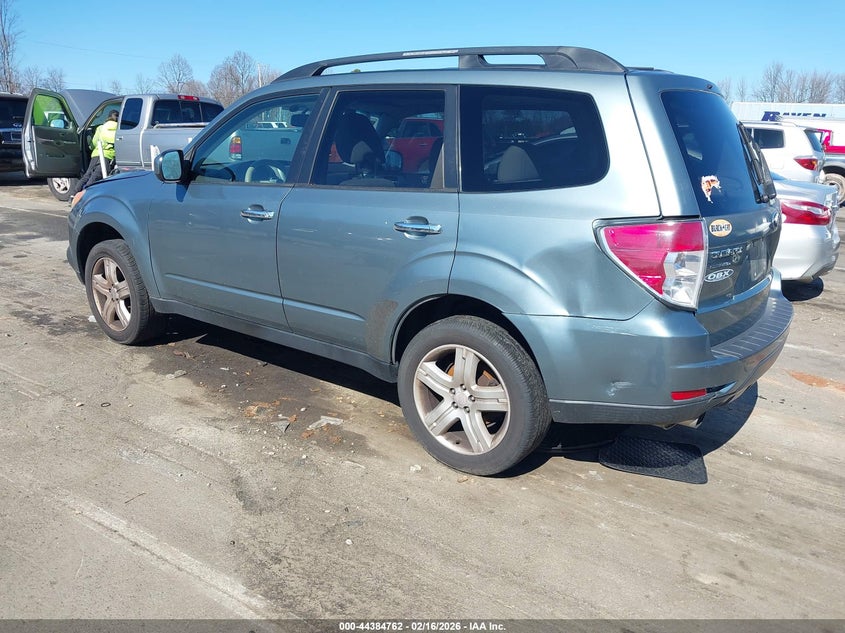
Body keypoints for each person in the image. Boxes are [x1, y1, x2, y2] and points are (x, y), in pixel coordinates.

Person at [68, 109, 119, 200]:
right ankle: (85, 195)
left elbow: (94, 142)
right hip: (108, 156)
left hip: (97, 153)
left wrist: (92, 147)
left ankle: (73, 194)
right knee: (97, 177)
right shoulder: (118, 129)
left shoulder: (101, 128)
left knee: (87, 174)